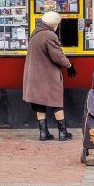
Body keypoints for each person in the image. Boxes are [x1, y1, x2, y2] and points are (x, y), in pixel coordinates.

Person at [23, 11, 76, 141]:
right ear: (54, 24)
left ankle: (43, 133)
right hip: (47, 75)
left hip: (34, 74)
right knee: (56, 102)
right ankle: (63, 133)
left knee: (39, 103)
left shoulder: (35, 33)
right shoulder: (49, 35)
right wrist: (69, 66)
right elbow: (57, 56)